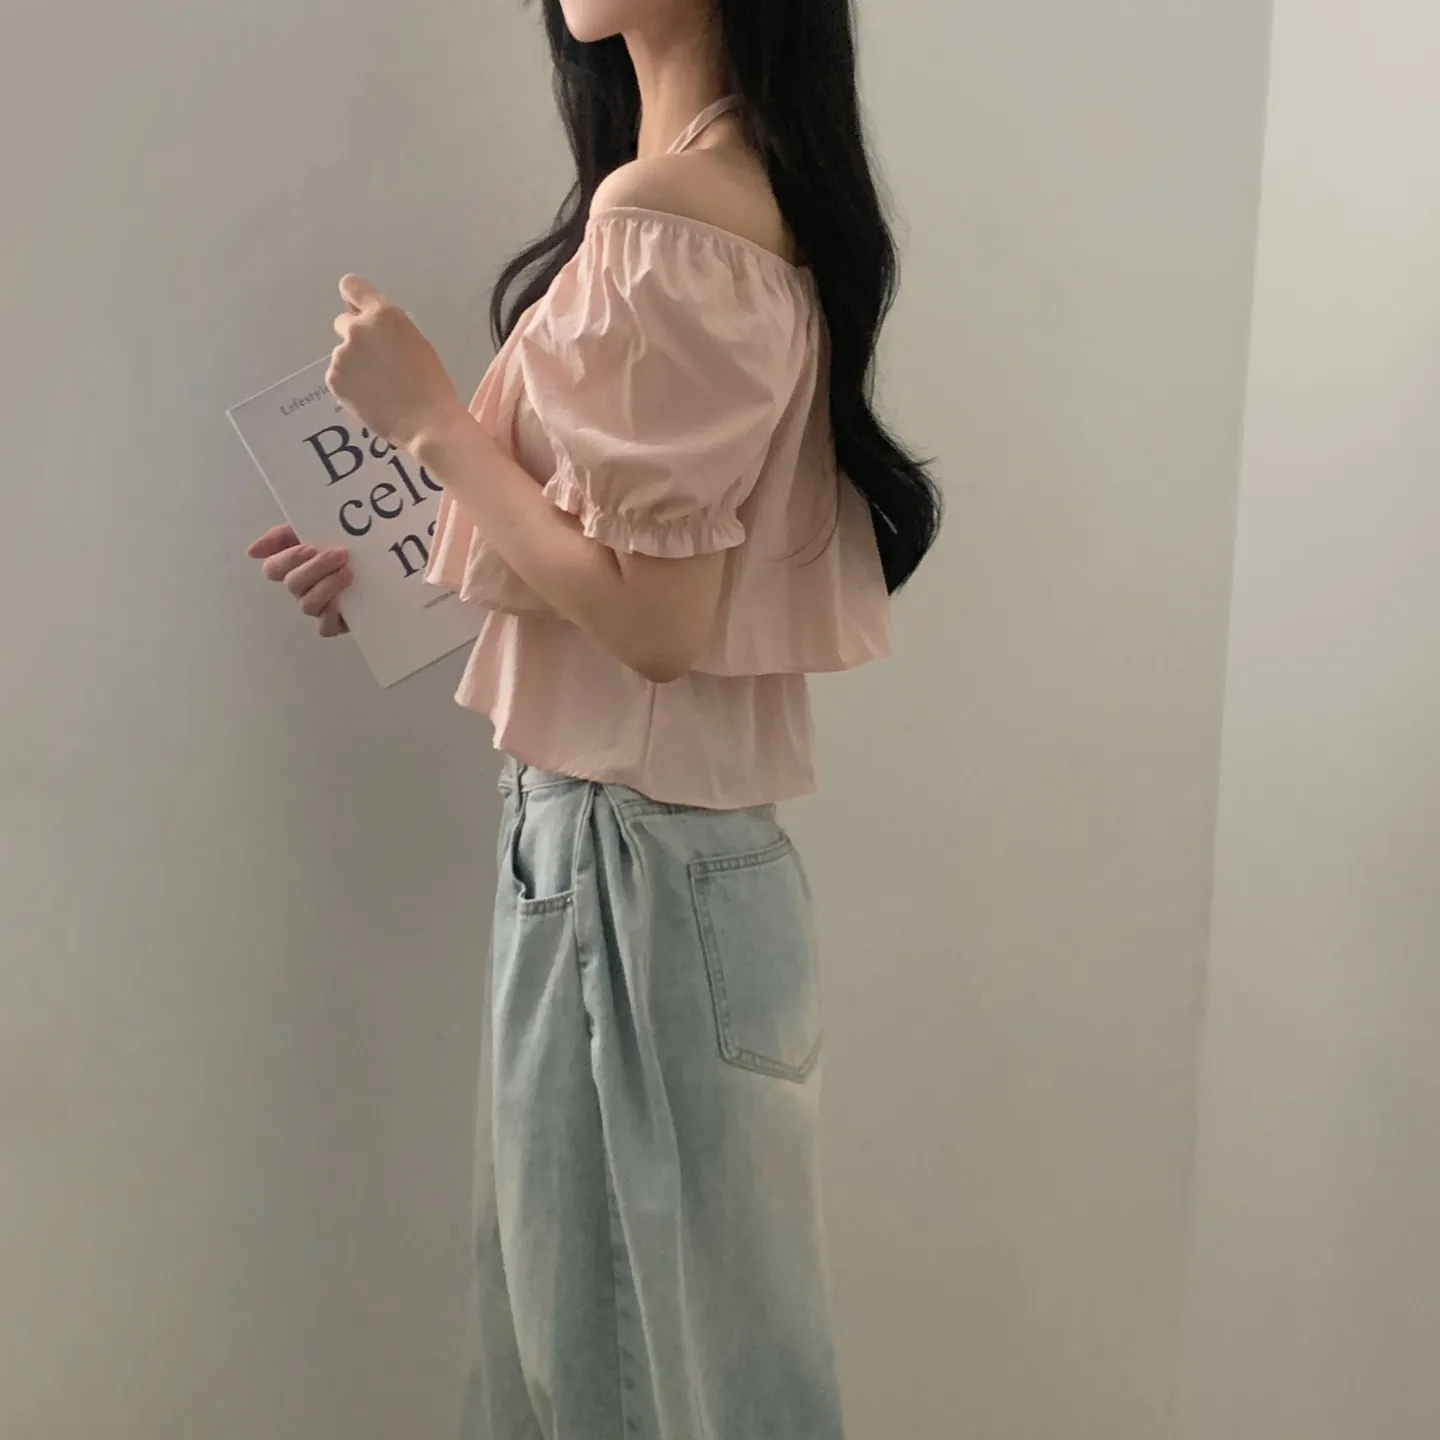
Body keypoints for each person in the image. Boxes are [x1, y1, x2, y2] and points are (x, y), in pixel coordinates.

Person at [247, 0, 940, 1434]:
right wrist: (399, 573)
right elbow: (626, 566)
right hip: (645, 865)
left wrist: (432, 420)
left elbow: (656, 625)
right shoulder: (722, 191)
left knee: (615, 1383)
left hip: (626, 870)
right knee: (652, 1369)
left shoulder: (670, 214)